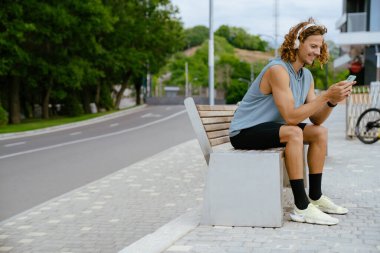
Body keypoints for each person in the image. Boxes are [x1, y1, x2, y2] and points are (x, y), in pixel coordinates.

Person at [229, 18, 354, 226]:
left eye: (319, 47)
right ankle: (302, 207)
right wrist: (325, 96)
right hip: (245, 132)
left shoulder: (306, 76)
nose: (316, 51)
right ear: (297, 43)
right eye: (313, 46)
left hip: (272, 129)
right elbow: (291, 117)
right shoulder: (277, 70)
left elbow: (316, 118)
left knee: (319, 132)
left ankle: (315, 196)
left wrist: (332, 101)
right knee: (293, 132)